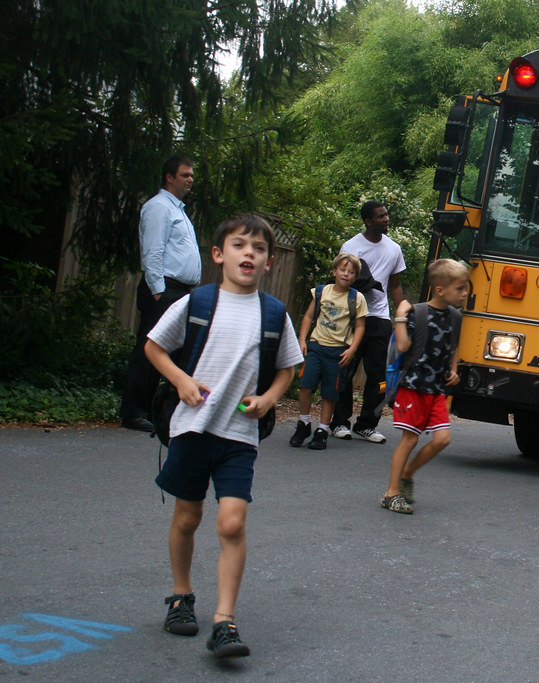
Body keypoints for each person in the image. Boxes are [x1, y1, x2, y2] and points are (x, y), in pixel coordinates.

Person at [145, 214, 303, 657]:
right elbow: (154, 346)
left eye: (257, 249)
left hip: (238, 435)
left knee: (232, 522)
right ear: (218, 255)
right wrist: (180, 380)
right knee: (187, 518)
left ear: (269, 261)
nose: (248, 253)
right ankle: (181, 596)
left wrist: (271, 397)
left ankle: (224, 620)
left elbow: (288, 366)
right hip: (192, 430)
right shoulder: (197, 302)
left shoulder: (273, 313)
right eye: (238, 245)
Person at [379, 259, 469, 514]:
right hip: (412, 387)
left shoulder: (455, 316)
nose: (464, 293)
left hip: (436, 389)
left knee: (442, 440)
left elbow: (454, 346)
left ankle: (408, 472)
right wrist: (399, 316)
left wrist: (453, 370)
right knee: (409, 440)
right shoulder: (417, 313)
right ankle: (391, 493)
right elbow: (404, 346)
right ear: (440, 289)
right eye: (460, 288)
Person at [121, 156, 203, 432]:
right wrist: (159, 292)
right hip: (164, 290)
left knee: (174, 353)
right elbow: (152, 253)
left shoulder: (178, 210)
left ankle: (159, 411)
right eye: (185, 175)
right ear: (169, 177)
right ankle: (133, 412)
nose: (190, 179)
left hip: (179, 291)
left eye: (191, 175)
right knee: (149, 350)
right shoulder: (158, 208)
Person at [329, 201, 407, 444]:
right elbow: (341, 282)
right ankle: (340, 422)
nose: (386, 219)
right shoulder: (351, 247)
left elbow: (394, 285)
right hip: (352, 317)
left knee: (378, 376)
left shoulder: (394, 248)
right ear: (368, 221)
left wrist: (402, 315)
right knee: (345, 370)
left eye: (386, 215)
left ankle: (367, 425)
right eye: (380, 216)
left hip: (379, 318)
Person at [289, 252, 368, 450]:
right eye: (342, 269)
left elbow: (360, 327)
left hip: (338, 352)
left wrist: (352, 349)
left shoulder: (356, 298)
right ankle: (304, 423)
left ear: (355, 277)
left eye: (351, 272)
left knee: (330, 393)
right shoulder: (321, 292)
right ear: (334, 271)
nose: (346, 274)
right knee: (306, 385)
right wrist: (302, 340)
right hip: (316, 347)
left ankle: (322, 430)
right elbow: (308, 317)